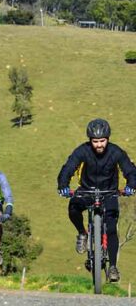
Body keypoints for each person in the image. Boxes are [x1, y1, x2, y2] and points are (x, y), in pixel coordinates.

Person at [57, 118, 136, 282]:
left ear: (108, 139)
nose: (99, 145)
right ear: (90, 140)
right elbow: (68, 167)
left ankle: (113, 267)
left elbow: (130, 170)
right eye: (95, 141)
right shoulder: (82, 151)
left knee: (112, 229)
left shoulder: (116, 152)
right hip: (87, 190)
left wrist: (131, 185)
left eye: (102, 141)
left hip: (109, 193)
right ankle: (82, 233)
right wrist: (63, 185)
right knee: (73, 208)